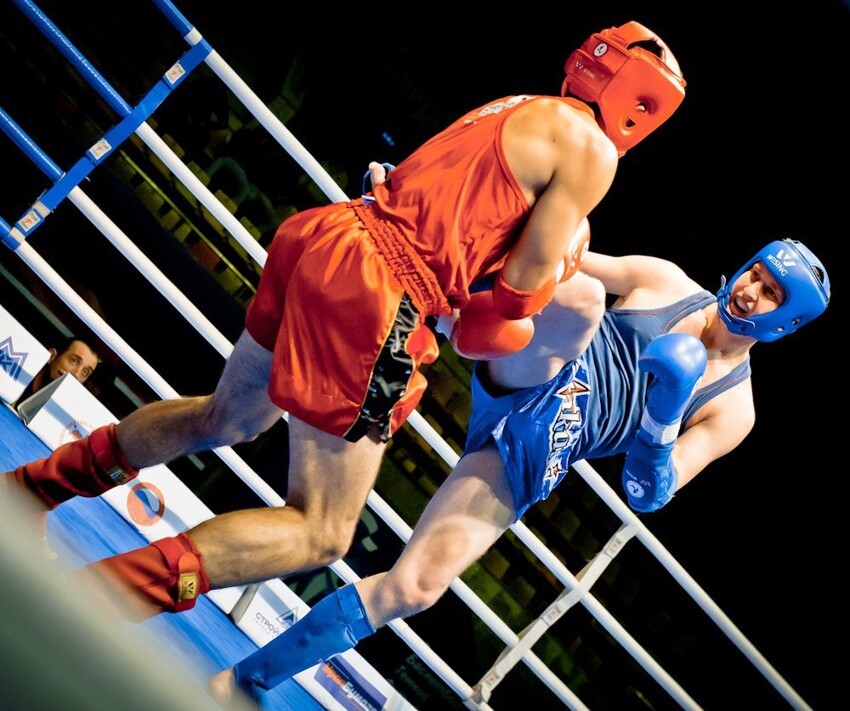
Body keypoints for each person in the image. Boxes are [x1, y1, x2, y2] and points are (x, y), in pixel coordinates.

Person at [3, 21, 686, 623]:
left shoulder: (523, 107)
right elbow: (512, 303)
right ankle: (93, 601)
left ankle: (32, 487)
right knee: (323, 531)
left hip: (331, 235)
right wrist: (491, 318)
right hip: (381, 291)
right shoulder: (592, 151)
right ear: (642, 108)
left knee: (228, 417)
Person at [206, 236, 830, 706]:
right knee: (579, 290)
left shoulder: (732, 410)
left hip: (542, 447)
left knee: (413, 590)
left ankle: (245, 679)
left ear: (786, 320)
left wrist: (662, 420)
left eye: (772, 292)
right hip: (539, 367)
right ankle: (435, 295)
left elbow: (649, 493)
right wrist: (434, 221)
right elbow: (556, 256)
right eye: (756, 272)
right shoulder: (665, 281)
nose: (751, 289)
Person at [13, 336, 100, 406]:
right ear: (52, 356)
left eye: (85, 371)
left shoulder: (65, 412)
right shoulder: (16, 373)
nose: (76, 374)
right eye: (74, 361)